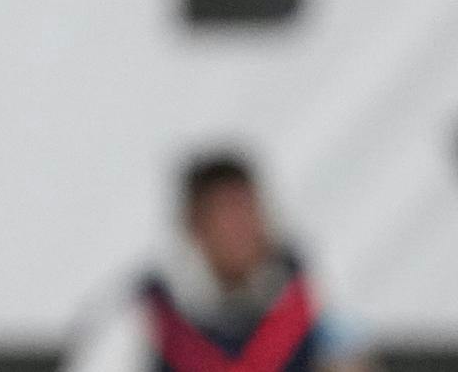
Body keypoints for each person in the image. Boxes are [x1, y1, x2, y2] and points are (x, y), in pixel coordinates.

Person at [61, 154, 377, 372]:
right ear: (195, 227)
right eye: (225, 217)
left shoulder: (308, 297)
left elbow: (350, 357)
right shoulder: (146, 312)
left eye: (248, 213)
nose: (242, 231)